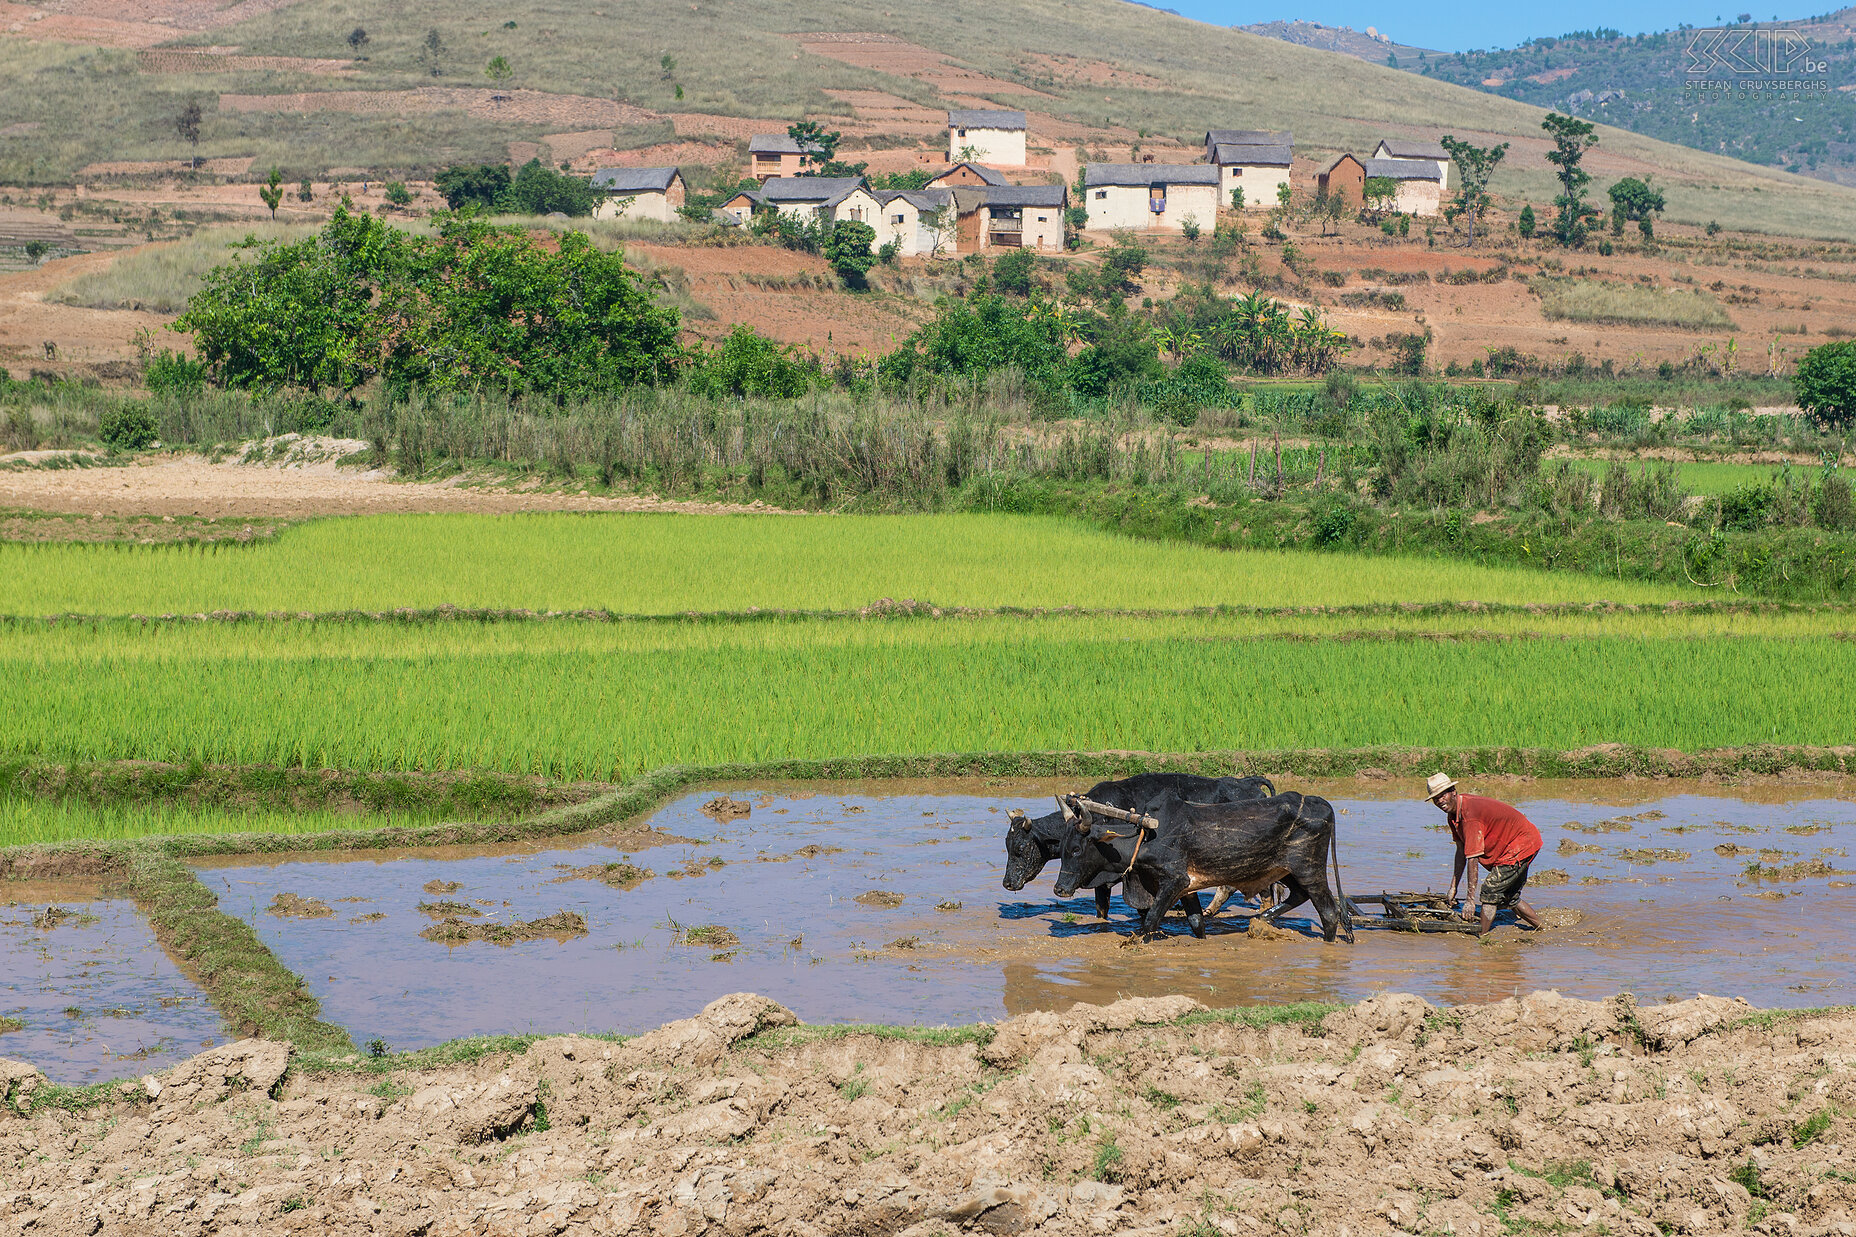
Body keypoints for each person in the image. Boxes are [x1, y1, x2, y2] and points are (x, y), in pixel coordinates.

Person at [1424, 772, 1544, 935]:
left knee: (1489, 892)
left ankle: (1482, 937)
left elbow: (1472, 858)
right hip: (1521, 841)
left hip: (1521, 844)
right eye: (1435, 798)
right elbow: (1461, 852)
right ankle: (1543, 928)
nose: (1439, 801)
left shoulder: (1469, 815)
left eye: (1442, 795)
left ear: (1453, 791)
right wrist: (1453, 887)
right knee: (1510, 897)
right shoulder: (1453, 815)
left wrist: (1470, 900)